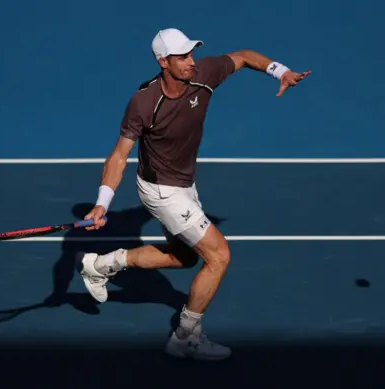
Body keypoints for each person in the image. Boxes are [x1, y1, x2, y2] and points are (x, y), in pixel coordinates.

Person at [79, 28, 312, 360]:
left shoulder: (203, 75)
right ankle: (185, 336)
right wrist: (102, 204)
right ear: (163, 62)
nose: (191, 62)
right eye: (183, 57)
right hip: (161, 190)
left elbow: (244, 56)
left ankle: (101, 265)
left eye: (191, 54)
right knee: (219, 257)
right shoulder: (144, 102)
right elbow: (119, 156)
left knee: (183, 258)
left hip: (184, 184)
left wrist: (281, 70)